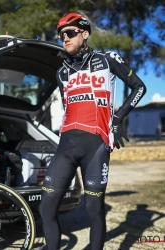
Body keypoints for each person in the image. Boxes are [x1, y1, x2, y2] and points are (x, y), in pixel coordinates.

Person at [39, 12, 146, 250]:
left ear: (85, 34)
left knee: (94, 210)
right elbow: (68, 109)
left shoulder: (107, 59)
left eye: (70, 33)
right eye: (61, 35)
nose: (64, 38)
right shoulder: (62, 72)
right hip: (66, 145)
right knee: (46, 207)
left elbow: (139, 87)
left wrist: (117, 118)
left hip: (95, 145)